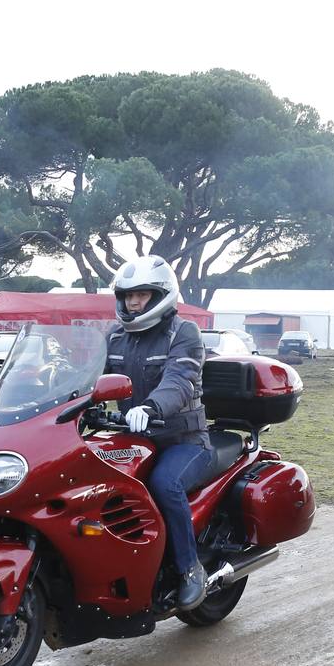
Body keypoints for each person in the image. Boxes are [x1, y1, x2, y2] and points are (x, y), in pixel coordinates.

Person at [105, 255, 211, 611]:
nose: (133, 302)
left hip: (184, 440)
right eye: (128, 295)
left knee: (166, 483)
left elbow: (179, 380)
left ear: (161, 295)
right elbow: (88, 377)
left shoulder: (183, 333)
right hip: (135, 441)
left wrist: (150, 407)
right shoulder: (115, 335)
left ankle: (188, 568)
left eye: (143, 294)